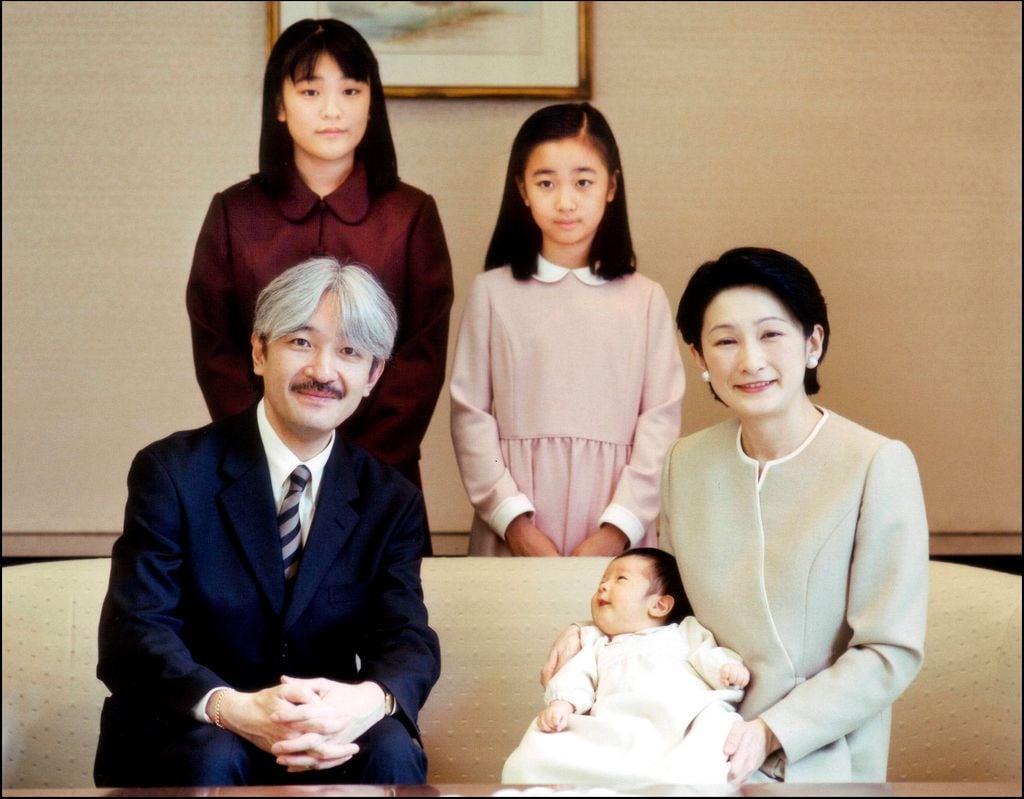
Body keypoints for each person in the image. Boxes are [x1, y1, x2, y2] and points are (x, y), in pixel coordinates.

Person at [541, 247, 929, 784]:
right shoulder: (686, 462)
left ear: (812, 343)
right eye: (725, 341)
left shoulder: (876, 464)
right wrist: (591, 633)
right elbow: (669, 608)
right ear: (700, 359)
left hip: (815, 755)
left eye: (771, 334)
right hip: (688, 740)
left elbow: (889, 651)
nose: (749, 360)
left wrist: (771, 730)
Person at [95, 257, 441, 788]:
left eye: (349, 352)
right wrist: (232, 709)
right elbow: (136, 633)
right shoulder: (172, 472)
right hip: (195, 725)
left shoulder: (389, 499)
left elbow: (406, 639)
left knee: (391, 749)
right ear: (259, 351)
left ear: (372, 377)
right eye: (301, 342)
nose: (323, 371)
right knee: (212, 755)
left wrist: (359, 704)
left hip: (317, 731)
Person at [186, 17, 453, 501]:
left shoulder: (412, 214)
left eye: (351, 91)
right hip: (258, 474)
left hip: (379, 478)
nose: (333, 110)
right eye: (311, 92)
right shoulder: (234, 212)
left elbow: (420, 357)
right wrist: (271, 456)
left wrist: (355, 469)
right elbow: (217, 350)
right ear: (279, 106)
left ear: (372, 104)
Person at [449, 103, 685, 557]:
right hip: (514, 522)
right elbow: (469, 416)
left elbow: (660, 425)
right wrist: (514, 523)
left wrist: (616, 531)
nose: (565, 201)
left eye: (583, 181)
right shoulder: (492, 293)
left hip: (616, 524)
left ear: (611, 186)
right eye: (545, 182)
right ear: (522, 189)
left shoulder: (646, 298)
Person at [502, 548, 750, 786]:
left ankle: (673, 785)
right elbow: (577, 676)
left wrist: (726, 669)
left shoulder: (683, 632)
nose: (603, 586)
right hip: (614, 726)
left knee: (713, 729)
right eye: (603, 580)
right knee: (538, 747)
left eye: (620, 579)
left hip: (678, 724)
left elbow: (708, 654)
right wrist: (563, 703)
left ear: (660, 605)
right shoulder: (596, 642)